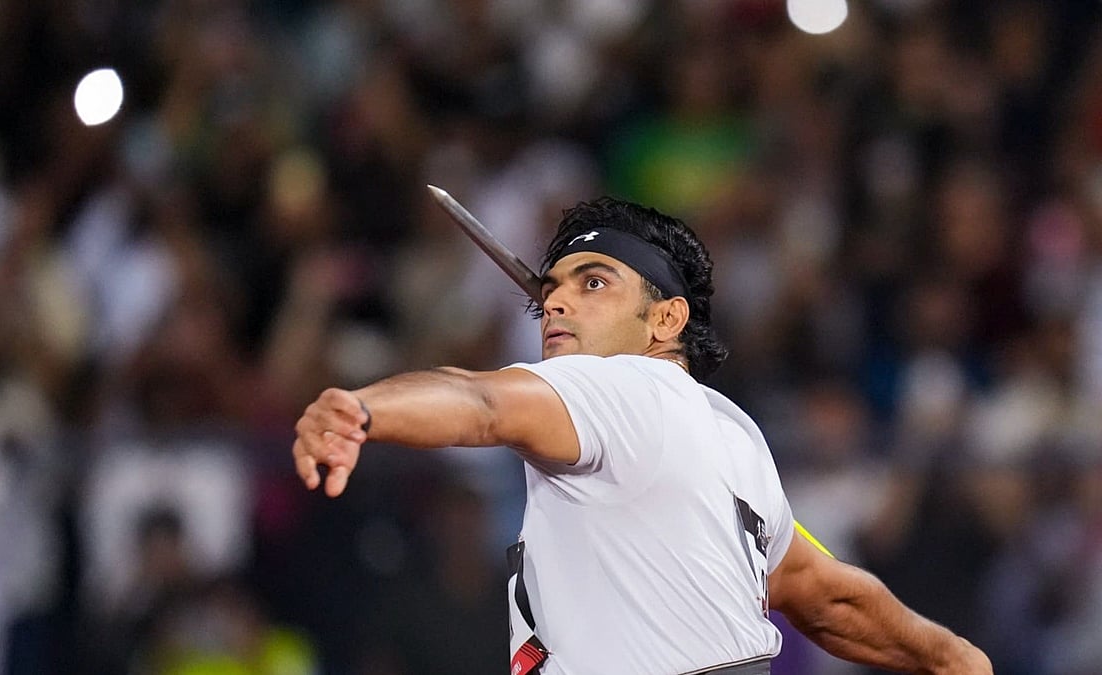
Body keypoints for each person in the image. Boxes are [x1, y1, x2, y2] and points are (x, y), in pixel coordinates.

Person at [291, 197, 993, 674]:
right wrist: (946, 653)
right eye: (552, 289)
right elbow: (818, 588)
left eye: (593, 282)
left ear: (665, 322)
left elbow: (479, 400)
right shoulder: (733, 434)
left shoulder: (620, 388)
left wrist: (362, 407)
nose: (558, 300)